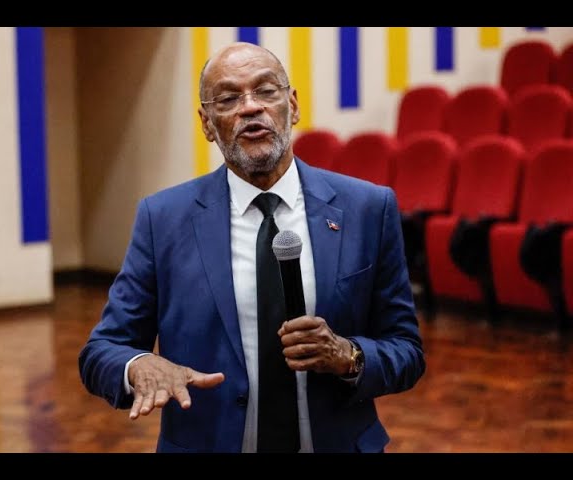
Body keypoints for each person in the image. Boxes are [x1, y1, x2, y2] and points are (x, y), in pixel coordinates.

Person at [79, 41, 425, 453]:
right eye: (228, 98)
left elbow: (406, 350)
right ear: (207, 124)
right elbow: (102, 351)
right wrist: (138, 366)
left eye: (266, 91)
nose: (250, 108)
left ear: (292, 105)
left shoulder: (367, 209)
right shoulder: (163, 219)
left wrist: (348, 356)